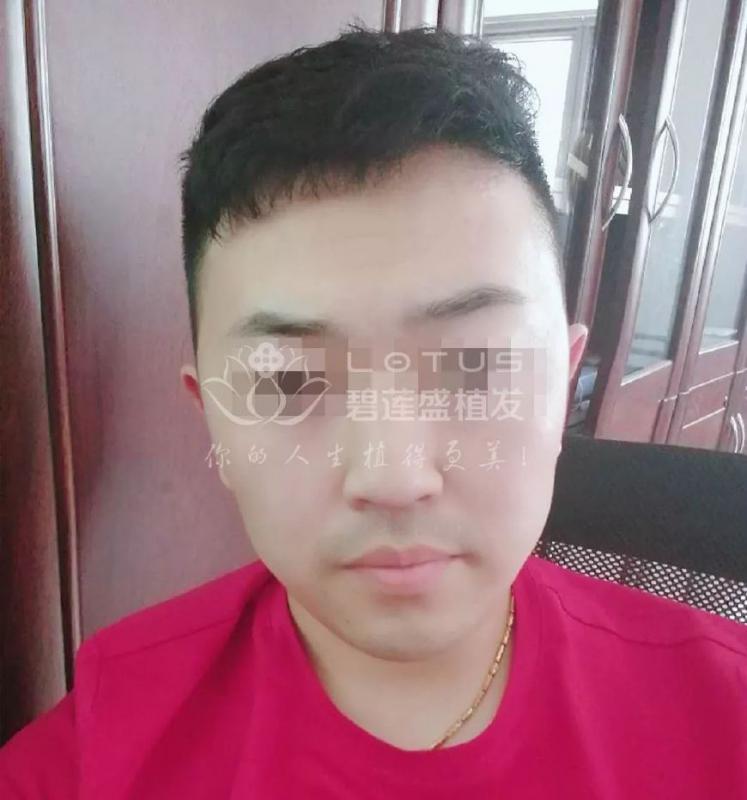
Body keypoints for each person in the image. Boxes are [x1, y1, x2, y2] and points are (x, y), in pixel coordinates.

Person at [1, 24, 745, 799]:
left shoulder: (723, 716)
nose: (393, 478)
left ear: (560, 384)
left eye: (473, 366)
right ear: (213, 417)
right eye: (293, 383)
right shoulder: (110, 740)